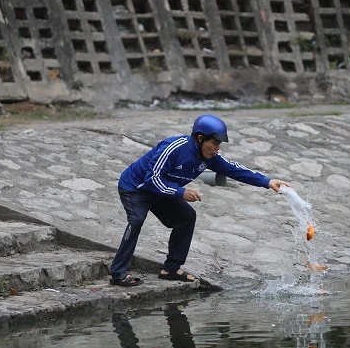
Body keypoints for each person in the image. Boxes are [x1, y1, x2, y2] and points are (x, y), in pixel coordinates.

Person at [109, 114, 290, 287]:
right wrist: (180, 192)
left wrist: (267, 181)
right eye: (215, 143)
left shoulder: (209, 157)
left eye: (219, 144)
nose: (217, 148)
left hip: (162, 191)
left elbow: (234, 169)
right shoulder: (173, 148)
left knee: (187, 216)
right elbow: (151, 179)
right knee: (137, 220)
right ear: (201, 138)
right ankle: (118, 273)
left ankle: (171, 269)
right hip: (135, 188)